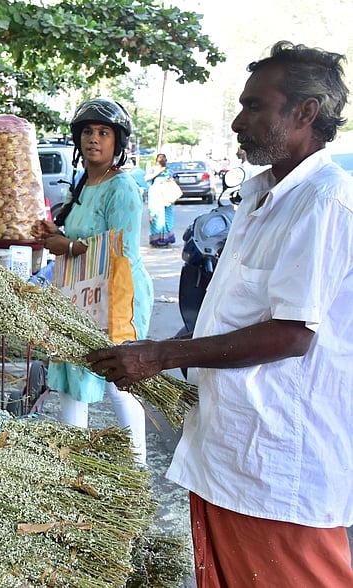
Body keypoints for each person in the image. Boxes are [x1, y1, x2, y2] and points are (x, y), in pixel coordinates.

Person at [86, 41, 353, 585]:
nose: (238, 120)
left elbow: (289, 336)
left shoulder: (324, 201)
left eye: (255, 106)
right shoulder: (261, 197)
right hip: (229, 448)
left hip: (277, 462)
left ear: (305, 113)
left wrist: (160, 354)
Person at [33, 98, 154, 466]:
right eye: (87, 132)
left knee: (120, 377)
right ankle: (74, 466)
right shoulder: (84, 182)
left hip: (118, 295)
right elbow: (80, 234)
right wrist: (57, 233)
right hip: (79, 292)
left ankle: (137, 470)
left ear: (118, 142)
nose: (94, 140)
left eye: (103, 132)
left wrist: (65, 246)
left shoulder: (122, 188)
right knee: (72, 370)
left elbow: (121, 248)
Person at [144, 153, 176, 247]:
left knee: (167, 217)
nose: (162, 160)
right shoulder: (153, 169)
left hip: (167, 196)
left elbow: (173, 180)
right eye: (160, 158)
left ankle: (168, 239)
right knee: (155, 216)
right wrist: (159, 171)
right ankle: (155, 241)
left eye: (163, 158)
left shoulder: (169, 170)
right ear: (156, 160)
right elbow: (147, 178)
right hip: (155, 195)